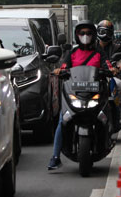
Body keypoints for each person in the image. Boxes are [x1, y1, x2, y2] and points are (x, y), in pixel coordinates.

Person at [47, 21, 116, 170]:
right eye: (82, 33)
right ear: (77, 36)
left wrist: (112, 70)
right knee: (62, 120)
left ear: (94, 35)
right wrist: (60, 71)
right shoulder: (72, 53)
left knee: (106, 112)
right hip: (75, 94)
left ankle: (107, 140)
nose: (85, 36)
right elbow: (64, 67)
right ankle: (55, 156)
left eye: (89, 33)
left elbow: (108, 66)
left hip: (95, 93)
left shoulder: (99, 53)